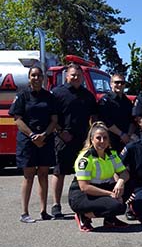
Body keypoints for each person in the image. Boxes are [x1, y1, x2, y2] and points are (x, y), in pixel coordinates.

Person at [9, 66, 58, 223]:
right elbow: (17, 119)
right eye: (33, 75)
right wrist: (32, 135)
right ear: (29, 78)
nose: (36, 78)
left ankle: (44, 211)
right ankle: (25, 213)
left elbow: (54, 120)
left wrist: (44, 135)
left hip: (45, 139)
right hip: (27, 141)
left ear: (43, 78)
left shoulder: (49, 97)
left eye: (39, 75)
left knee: (43, 175)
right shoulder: (22, 96)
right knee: (28, 176)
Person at [51, 63, 98, 219]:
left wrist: (92, 136)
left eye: (78, 75)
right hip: (63, 138)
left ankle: (84, 202)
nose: (76, 77)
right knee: (59, 172)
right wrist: (60, 132)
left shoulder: (88, 95)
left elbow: (94, 118)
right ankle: (56, 205)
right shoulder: (57, 94)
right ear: (67, 76)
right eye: (73, 75)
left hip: (83, 140)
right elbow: (51, 117)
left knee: (84, 172)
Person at [68, 122, 129, 232]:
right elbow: (84, 187)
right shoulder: (85, 158)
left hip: (102, 188)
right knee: (117, 206)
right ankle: (84, 216)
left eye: (105, 138)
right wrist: (111, 194)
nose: (102, 141)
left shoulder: (111, 154)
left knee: (129, 184)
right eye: (98, 138)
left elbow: (124, 173)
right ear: (92, 139)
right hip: (83, 195)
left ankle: (110, 220)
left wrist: (120, 183)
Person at [97, 73, 135, 153]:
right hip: (110, 141)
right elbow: (106, 121)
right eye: (117, 82)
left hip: (126, 141)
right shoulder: (105, 100)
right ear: (111, 84)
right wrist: (121, 135)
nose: (120, 85)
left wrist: (128, 135)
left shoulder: (127, 102)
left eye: (122, 83)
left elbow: (132, 120)